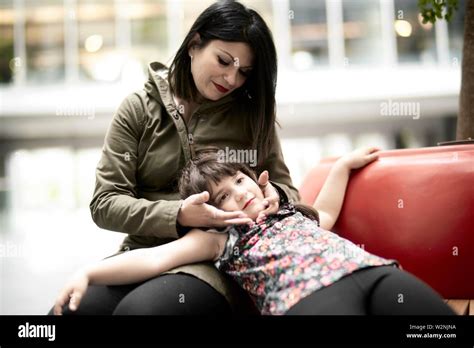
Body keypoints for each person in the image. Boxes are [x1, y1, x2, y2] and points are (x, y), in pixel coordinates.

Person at [48, 0, 298, 315]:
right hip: (140, 253)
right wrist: (177, 214)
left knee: (143, 312)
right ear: (194, 44)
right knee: (69, 312)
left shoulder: (251, 114)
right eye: (223, 61)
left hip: (214, 260)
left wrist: (275, 193)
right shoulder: (138, 109)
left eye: (244, 72)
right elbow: (105, 204)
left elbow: (288, 189)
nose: (232, 79)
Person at [54, 150, 455, 315]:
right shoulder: (220, 237)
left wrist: (342, 168)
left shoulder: (284, 210)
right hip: (308, 298)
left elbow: (327, 212)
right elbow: (154, 258)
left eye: (240, 182)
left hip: (373, 273)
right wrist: (88, 273)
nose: (239, 194)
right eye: (223, 196)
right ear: (210, 210)